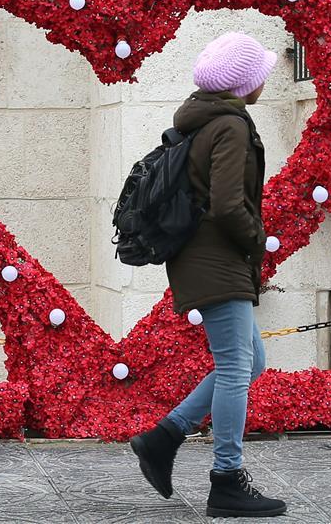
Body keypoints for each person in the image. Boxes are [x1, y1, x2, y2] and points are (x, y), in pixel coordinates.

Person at [130, 32, 287, 518]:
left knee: (249, 362)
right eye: (260, 75)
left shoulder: (203, 119)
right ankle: (226, 480)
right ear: (243, 84)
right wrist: (257, 240)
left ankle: (165, 436)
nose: (264, 81)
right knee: (237, 367)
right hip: (216, 259)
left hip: (203, 257)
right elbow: (227, 204)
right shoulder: (231, 126)